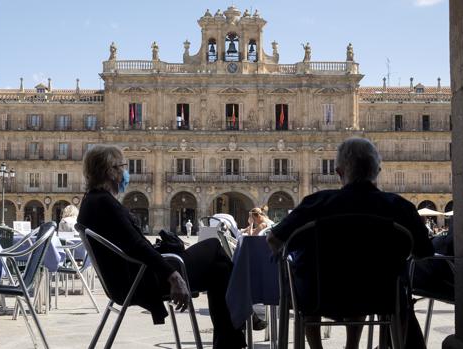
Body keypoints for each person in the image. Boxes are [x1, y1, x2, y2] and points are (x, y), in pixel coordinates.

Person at [266, 137, 433, 349]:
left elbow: (273, 239)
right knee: (371, 280)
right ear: (378, 171)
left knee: (305, 277)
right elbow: (423, 253)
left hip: (318, 295)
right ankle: (352, 346)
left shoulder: (316, 203)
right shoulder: (399, 207)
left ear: (339, 172)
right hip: (380, 296)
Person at [77, 145, 245, 349]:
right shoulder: (104, 203)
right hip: (142, 280)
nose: (125, 172)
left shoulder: (93, 201)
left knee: (221, 269)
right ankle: (239, 325)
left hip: (131, 279)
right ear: (110, 171)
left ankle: (231, 338)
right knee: (214, 247)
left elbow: (132, 245)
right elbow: (137, 246)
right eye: (122, 166)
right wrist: (173, 276)